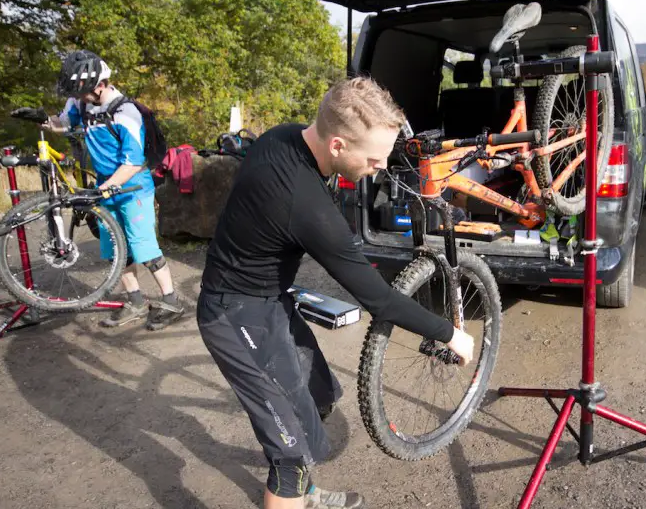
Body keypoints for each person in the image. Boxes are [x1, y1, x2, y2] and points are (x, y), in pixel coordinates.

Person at [196, 76, 475, 509]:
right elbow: (379, 299)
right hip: (232, 315)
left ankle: (303, 497)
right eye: (375, 159)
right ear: (339, 146)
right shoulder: (305, 206)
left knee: (317, 397)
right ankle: (294, 491)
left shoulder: (283, 136)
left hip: (267, 300)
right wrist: (449, 333)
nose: (380, 168)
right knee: (292, 455)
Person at [47, 49, 185, 330]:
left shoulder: (126, 112)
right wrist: (42, 120)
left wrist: (107, 188)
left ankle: (171, 301)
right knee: (116, 249)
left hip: (133, 187)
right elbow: (64, 123)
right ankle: (135, 301)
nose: (77, 98)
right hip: (105, 186)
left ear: (99, 85)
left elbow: (133, 162)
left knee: (144, 247)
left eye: (82, 92)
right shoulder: (80, 102)